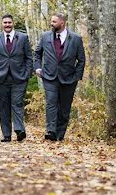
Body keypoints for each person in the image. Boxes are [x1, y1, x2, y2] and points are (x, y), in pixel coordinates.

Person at [34, 13, 86, 141]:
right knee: (51, 103)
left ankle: (60, 134)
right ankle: (50, 131)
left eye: (54, 22)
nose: (51, 24)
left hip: (69, 79)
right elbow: (37, 54)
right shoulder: (45, 36)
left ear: (62, 23)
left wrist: (77, 76)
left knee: (64, 108)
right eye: (51, 21)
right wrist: (37, 68)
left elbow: (81, 60)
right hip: (49, 76)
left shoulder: (75, 38)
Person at [0, 14, 33, 142]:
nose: (7, 25)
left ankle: (19, 130)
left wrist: (26, 74)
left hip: (19, 78)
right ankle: (6, 134)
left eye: (9, 22)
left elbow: (29, 57)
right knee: (3, 106)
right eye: (5, 23)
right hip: (0, 78)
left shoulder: (23, 38)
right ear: (2, 24)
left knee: (17, 103)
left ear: (13, 23)